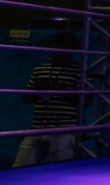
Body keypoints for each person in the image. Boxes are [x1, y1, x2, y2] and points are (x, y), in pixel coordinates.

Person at [14, 31, 84, 167]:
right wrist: (38, 89)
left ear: (71, 49)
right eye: (56, 46)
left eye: (63, 47)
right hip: (37, 128)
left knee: (60, 171)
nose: (58, 51)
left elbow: (86, 101)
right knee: (18, 169)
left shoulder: (79, 71)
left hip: (64, 130)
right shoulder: (40, 69)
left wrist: (59, 89)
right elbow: (26, 99)